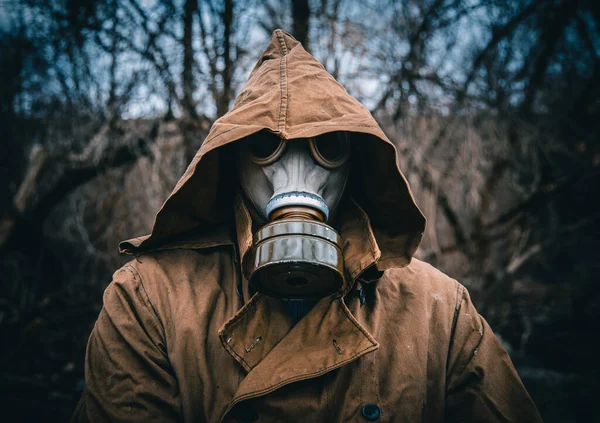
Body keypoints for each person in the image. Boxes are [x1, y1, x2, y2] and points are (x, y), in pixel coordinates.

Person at [72, 30, 542, 422]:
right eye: (264, 146)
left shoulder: (437, 310)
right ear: (231, 161)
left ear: (355, 162)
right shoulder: (148, 299)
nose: (294, 173)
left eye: (327, 146)